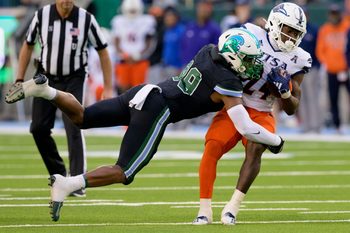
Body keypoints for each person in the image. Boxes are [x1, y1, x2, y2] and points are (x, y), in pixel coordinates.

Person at [6, 28, 285, 222]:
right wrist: (276, 141)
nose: (251, 65)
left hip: (144, 91)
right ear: (234, 56)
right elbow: (246, 127)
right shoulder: (228, 80)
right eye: (247, 59)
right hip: (157, 108)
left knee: (82, 117)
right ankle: (67, 184)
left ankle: (46, 91)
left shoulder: (208, 51)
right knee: (124, 171)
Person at [192, 2, 311, 225]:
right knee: (212, 147)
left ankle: (232, 208)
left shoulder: (300, 58)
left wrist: (284, 93)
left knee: (255, 150)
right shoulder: (252, 33)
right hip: (235, 103)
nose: (292, 36)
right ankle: (204, 209)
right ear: (275, 24)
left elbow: (293, 108)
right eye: (288, 29)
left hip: (262, 111)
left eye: (297, 33)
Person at [12, 0, 113, 197]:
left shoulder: (86, 19)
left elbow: (103, 52)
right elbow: (28, 45)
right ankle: (59, 174)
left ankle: (76, 182)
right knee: (38, 128)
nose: (66, 2)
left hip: (74, 79)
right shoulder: (42, 15)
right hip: (45, 79)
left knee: (74, 126)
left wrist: (108, 87)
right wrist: (19, 78)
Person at [316, 4, 350, 134]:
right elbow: (320, 50)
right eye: (332, 14)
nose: (334, 16)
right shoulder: (325, 29)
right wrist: (327, 63)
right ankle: (337, 125)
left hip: (346, 69)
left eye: (336, 13)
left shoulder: (347, 27)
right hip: (331, 71)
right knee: (333, 99)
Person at [111, 0, 156, 94]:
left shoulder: (147, 20)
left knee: (140, 89)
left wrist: (141, 55)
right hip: (123, 60)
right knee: (123, 88)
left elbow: (150, 41)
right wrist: (122, 54)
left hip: (140, 61)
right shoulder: (118, 20)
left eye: (134, 10)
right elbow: (116, 40)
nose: (132, 13)